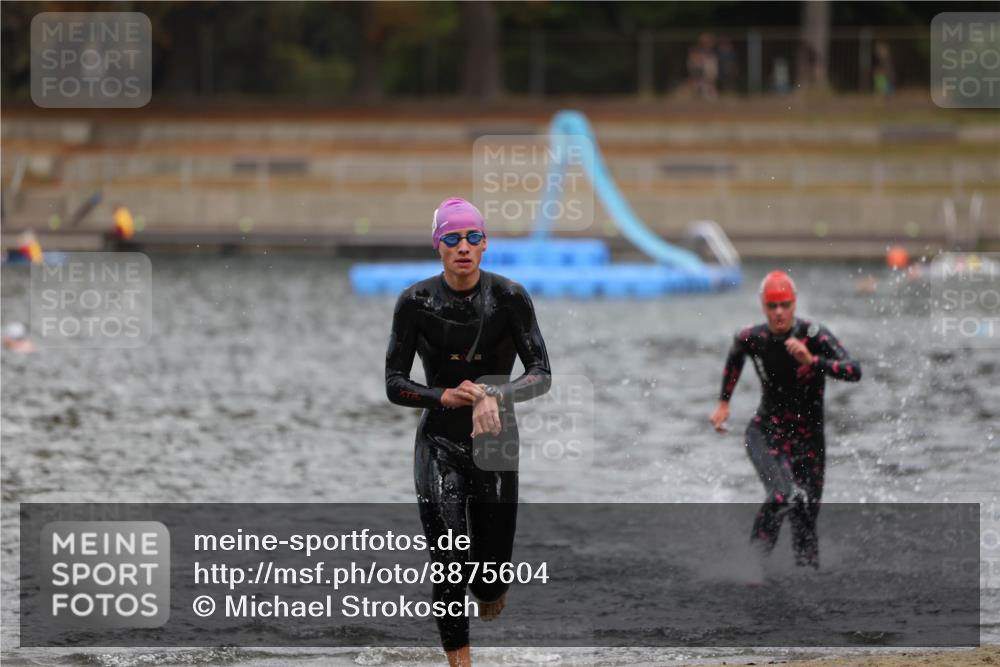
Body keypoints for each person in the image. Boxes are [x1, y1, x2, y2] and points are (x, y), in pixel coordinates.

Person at [385, 197, 551, 667]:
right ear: (438, 246)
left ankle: (492, 583)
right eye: (452, 238)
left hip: (496, 442)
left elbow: (542, 372)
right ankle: (461, 662)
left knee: (490, 577)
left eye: (473, 237)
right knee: (449, 558)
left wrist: (493, 395)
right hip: (439, 441)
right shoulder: (415, 303)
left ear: (485, 245)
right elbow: (394, 384)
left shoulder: (510, 298)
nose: (464, 247)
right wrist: (442, 396)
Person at [710, 271, 861, 568]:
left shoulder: (814, 336)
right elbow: (736, 354)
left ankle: (807, 588)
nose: (779, 312)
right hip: (767, 433)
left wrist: (813, 362)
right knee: (782, 496)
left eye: (785, 305)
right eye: (772, 306)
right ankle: (750, 569)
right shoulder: (752, 337)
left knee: (804, 518)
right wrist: (724, 403)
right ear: (763, 306)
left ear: (794, 304)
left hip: (809, 440)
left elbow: (854, 370)